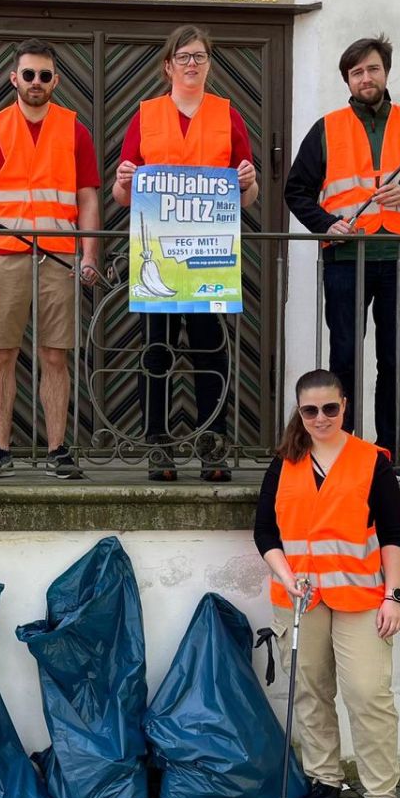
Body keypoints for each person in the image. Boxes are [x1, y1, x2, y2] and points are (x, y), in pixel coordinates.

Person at [284, 34, 400, 469]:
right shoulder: (327, 127)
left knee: (394, 358)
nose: (366, 77)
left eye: (373, 69)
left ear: (386, 72)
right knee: (344, 357)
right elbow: (297, 190)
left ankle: (386, 450)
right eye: (357, 71)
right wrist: (325, 224)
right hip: (346, 256)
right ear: (347, 79)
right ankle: (344, 446)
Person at [255, 368, 400, 798]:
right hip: (300, 598)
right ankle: (325, 780)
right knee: (311, 691)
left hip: (361, 597)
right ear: (299, 413)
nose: (320, 418)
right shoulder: (284, 462)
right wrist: (285, 576)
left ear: (345, 407)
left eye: (330, 408)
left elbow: (393, 537)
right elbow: (266, 533)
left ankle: (381, 797)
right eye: (309, 410)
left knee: (367, 694)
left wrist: (393, 595)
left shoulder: (370, 461)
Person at [114, 24, 258, 482]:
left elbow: (246, 195)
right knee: (156, 350)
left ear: (209, 63)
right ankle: (158, 443)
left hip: (208, 255)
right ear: (168, 66)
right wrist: (121, 181)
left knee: (210, 350)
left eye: (199, 56)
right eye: (183, 57)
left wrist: (249, 184)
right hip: (155, 253)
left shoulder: (228, 115)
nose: (191, 64)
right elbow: (124, 194)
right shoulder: (146, 115)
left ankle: (212, 442)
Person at [0, 37, 101, 481]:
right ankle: (0, 449)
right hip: (3, 256)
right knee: (1, 354)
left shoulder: (75, 128)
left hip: (59, 257)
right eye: (29, 74)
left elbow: (88, 199)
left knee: (55, 356)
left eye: (44, 75)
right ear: (14, 78)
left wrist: (89, 254)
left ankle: (58, 450)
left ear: (55, 80)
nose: (36, 82)